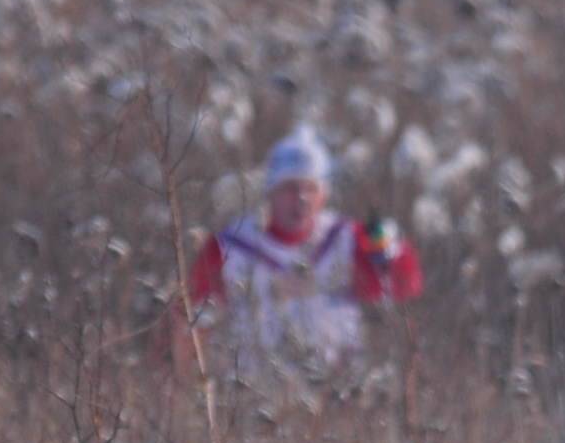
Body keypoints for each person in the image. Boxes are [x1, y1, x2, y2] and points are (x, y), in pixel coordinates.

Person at [178, 125, 422, 380]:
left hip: (336, 390)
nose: (301, 199)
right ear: (270, 192)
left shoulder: (346, 238)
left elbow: (404, 285)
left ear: (324, 195)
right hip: (256, 395)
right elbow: (187, 322)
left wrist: (389, 253)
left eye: (311, 189)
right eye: (290, 188)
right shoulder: (232, 246)